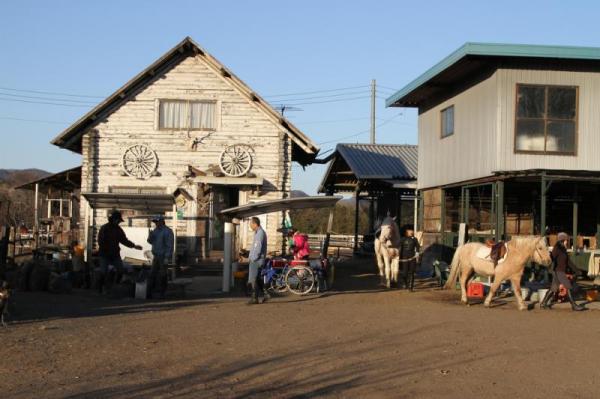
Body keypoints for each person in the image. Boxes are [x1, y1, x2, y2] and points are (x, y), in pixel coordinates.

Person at [97, 210, 142, 293]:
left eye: (119, 221)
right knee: (103, 271)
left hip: (115, 254)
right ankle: (100, 289)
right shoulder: (104, 228)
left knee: (120, 270)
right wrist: (106, 249)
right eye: (118, 220)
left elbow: (124, 240)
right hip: (104, 254)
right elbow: (100, 241)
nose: (119, 222)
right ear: (114, 219)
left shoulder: (118, 230)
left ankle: (115, 286)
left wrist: (134, 246)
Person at [540, 232, 586, 311]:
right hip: (558, 271)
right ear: (562, 240)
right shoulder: (557, 248)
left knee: (553, 289)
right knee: (568, 286)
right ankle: (574, 305)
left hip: (559, 271)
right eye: (566, 240)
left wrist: (577, 270)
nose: (567, 242)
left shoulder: (563, 249)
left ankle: (543, 303)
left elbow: (568, 262)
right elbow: (551, 257)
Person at [147, 215, 175, 299]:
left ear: (162, 221)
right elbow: (151, 242)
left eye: (157, 222)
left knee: (162, 275)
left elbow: (169, 245)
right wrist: (150, 236)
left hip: (163, 256)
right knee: (152, 274)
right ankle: (150, 292)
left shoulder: (167, 231)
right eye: (155, 222)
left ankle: (163, 292)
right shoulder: (155, 231)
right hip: (156, 256)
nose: (156, 223)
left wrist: (167, 257)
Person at [247, 216, 267, 305]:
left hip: (257, 260)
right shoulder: (258, 233)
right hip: (257, 259)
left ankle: (254, 298)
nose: (250, 226)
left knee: (253, 279)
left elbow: (257, 248)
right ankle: (264, 294)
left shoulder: (260, 234)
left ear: (255, 224)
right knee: (257, 278)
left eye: (251, 224)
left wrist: (253, 258)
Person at [399, 225, 420, 291]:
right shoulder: (402, 239)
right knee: (404, 273)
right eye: (410, 230)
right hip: (404, 258)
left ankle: (411, 287)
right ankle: (405, 283)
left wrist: (417, 252)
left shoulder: (415, 239)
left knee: (412, 272)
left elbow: (418, 246)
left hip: (412, 257)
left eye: (412, 230)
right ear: (406, 231)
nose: (412, 231)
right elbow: (397, 245)